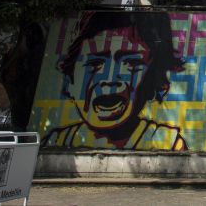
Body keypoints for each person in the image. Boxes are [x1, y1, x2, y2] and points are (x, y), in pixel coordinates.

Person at [42, 11, 187, 150]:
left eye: (132, 64)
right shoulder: (58, 140)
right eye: (95, 64)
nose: (109, 80)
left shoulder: (167, 142)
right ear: (69, 82)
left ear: (157, 83)